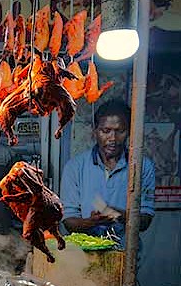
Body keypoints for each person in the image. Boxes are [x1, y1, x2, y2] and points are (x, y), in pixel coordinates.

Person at [60, 99, 155, 246]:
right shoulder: (74, 167)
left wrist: (116, 215)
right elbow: (68, 221)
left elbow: (145, 221)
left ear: (129, 132)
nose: (113, 138)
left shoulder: (142, 166)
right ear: (95, 131)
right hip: (82, 256)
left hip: (125, 254)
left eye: (120, 131)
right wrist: (90, 222)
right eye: (106, 131)